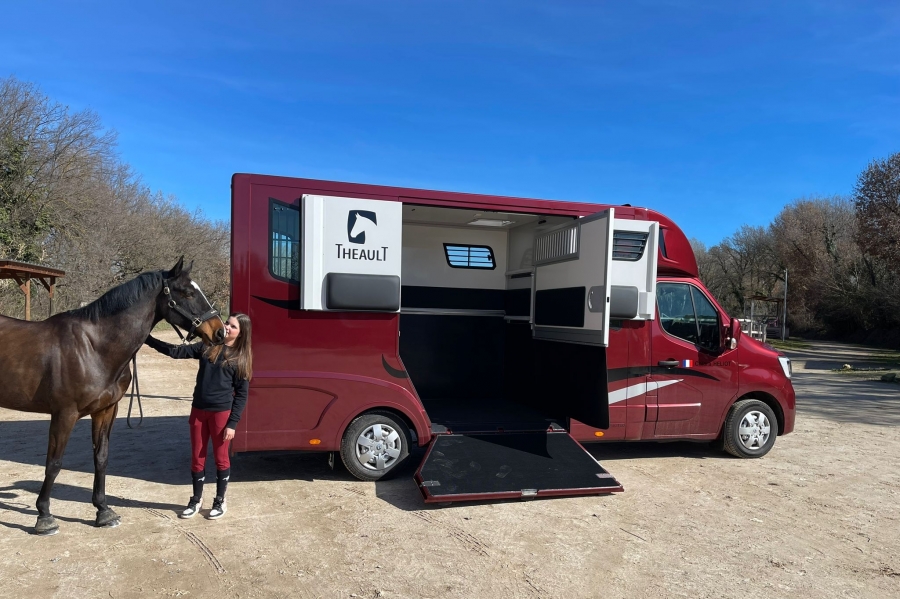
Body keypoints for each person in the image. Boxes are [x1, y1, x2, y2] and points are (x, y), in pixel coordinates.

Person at [145, 313, 253, 520]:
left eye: (233, 326)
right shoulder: (207, 346)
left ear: (241, 333)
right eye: (227, 323)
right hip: (198, 412)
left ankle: (220, 500)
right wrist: (148, 339)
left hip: (221, 415)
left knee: (221, 459)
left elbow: (241, 395)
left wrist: (232, 424)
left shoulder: (240, 359)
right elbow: (175, 352)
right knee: (197, 458)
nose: (227, 327)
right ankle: (196, 499)